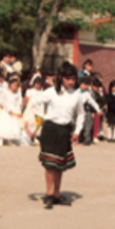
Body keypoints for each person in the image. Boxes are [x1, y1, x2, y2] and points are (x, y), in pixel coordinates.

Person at [31, 61, 85, 209]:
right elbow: (34, 101)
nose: (71, 82)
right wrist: (38, 116)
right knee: (50, 165)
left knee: (60, 165)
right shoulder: (51, 92)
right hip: (50, 129)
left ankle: (57, 194)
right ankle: (48, 194)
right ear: (61, 78)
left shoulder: (77, 95)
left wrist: (77, 131)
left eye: (74, 78)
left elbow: (81, 114)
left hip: (65, 130)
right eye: (68, 79)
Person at [0, 74, 23, 145]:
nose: (15, 87)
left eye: (16, 85)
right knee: (4, 125)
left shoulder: (17, 93)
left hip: (14, 110)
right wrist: (7, 109)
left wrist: (19, 108)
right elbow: (2, 101)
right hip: (7, 111)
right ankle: (1, 140)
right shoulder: (5, 92)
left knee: (13, 125)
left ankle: (9, 139)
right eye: (14, 85)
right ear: (10, 84)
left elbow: (19, 101)